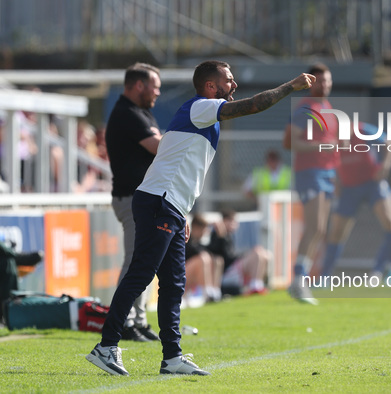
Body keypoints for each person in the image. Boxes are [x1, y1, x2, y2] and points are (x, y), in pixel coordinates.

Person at [86, 60, 315, 376]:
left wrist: (186, 212)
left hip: (174, 206)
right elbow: (255, 105)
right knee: (142, 273)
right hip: (159, 202)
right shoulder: (202, 106)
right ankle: (106, 346)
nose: (233, 85)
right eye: (228, 80)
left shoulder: (202, 113)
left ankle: (172, 358)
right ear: (210, 86)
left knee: (173, 284)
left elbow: (183, 167)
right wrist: (291, 86)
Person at [104, 63, 162, 342]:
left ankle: (137, 320)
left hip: (140, 197)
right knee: (135, 262)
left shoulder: (140, 112)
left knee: (145, 262)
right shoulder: (127, 113)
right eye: (155, 86)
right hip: (130, 197)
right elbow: (158, 147)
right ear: (139, 85)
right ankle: (124, 322)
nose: (158, 92)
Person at [320, 122, 391, 281]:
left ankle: (390, 269)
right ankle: (325, 276)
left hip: (373, 183)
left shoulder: (363, 130)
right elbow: (328, 163)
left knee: (390, 221)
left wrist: (385, 165)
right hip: (349, 188)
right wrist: (334, 182)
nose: (343, 144)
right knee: (336, 232)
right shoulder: (330, 140)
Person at [287, 63, 339, 305]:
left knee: (320, 229)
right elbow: (291, 142)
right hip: (311, 172)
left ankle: (301, 279)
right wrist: (321, 147)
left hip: (327, 174)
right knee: (314, 226)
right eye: (320, 81)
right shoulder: (305, 108)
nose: (324, 85)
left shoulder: (326, 107)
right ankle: (298, 280)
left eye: (327, 80)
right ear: (311, 83)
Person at [206, 208, 270, 296]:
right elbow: (225, 257)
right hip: (226, 274)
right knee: (257, 253)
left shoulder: (228, 236)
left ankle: (258, 283)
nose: (234, 224)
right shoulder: (217, 235)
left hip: (233, 270)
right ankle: (254, 286)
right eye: (232, 221)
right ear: (224, 221)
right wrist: (221, 236)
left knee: (264, 254)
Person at [184, 214, 223, 306]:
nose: (206, 232)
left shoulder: (198, 243)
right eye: (204, 229)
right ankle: (207, 293)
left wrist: (220, 234)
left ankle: (215, 292)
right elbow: (197, 252)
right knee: (203, 258)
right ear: (196, 228)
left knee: (218, 260)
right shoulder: (186, 240)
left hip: (189, 276)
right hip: (180, 276)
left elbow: (218, 252)